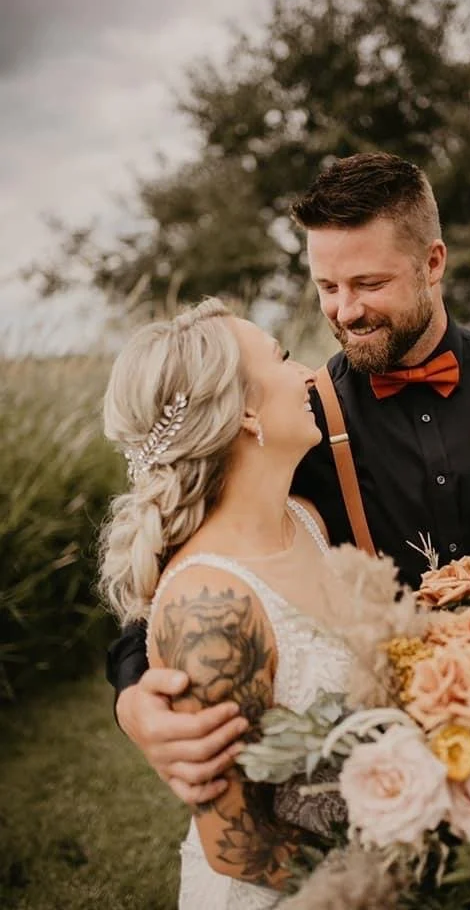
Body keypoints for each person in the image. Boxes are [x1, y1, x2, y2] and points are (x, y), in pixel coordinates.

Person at [107, 151, 470, 810]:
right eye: (327, 287)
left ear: (433, 263)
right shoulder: (300, 424)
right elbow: (189, 564)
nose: (345, 311)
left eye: (368, 283)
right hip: (396, 771)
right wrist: (133, 699)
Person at [99, 296, 351, 908]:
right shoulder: (208, 607)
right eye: (282, 358)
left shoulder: (308, 519)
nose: (307, 374)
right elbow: (240, 846)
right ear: (244, 409)